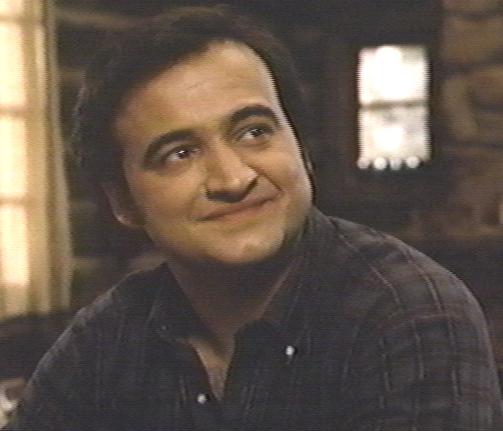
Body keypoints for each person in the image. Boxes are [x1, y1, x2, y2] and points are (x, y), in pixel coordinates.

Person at [4, 5, 503, 430]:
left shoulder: (407, 311)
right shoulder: (110, 335)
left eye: (254, 132)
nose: (233, 178)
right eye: (179, 154)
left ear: (300, 146)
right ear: (124, 203)